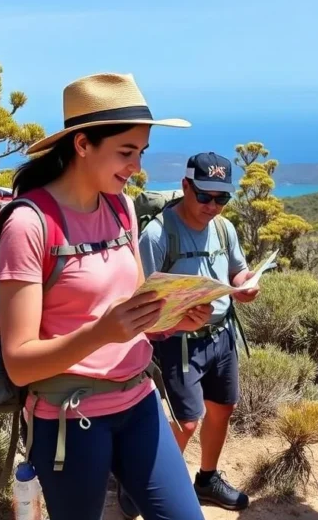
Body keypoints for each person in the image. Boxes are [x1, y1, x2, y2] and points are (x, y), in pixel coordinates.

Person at [0, 73, 208, 520]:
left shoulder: (120, 206)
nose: (136, 165)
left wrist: (171, 318)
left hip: (138, 398)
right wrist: (101, 332)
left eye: (141, 152)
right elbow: (18, 362)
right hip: (69, 420)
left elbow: (129, 310)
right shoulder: (29, 224)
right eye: (125, 152)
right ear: (82, 145)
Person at [120, 152, 258, 517]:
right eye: (205, 196)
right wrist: (181, 322)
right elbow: (141, 307)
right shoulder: (158, 234)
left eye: (222, 198)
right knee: (185, 422)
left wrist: (244, 286)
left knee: (222, 408)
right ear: (186, 187)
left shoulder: (224, 229)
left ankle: (207, 479)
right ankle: (142, 485)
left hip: (222, 336)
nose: (213, 206)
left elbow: (237, 271)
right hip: (178, 345)